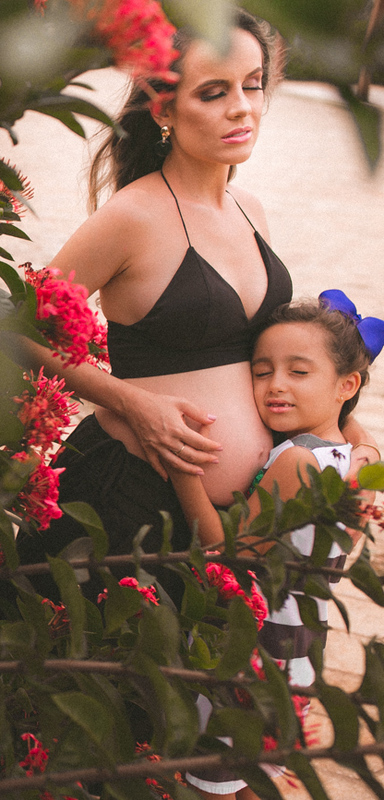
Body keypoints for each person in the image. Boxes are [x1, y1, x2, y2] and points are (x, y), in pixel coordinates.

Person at [6, 10, 378, 601]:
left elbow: (278, 354)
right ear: (163, 108)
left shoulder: (252, 210)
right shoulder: (131, 217)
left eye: (252, 85)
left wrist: (355, 437)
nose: (242, 108)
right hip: (128, 497)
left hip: (228, 518)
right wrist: (133, 403)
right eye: (212, 92)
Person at [172, 293, 383, 798]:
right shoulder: (348, 461)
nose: (276, 386)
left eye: (299, 372)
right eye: (262, 371)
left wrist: (182, 470)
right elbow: (349, 419)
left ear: (346, 385)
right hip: (300, 648)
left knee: (212, 783)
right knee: (251, 779)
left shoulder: (296, 463)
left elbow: (228, 550)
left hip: (256, 646)